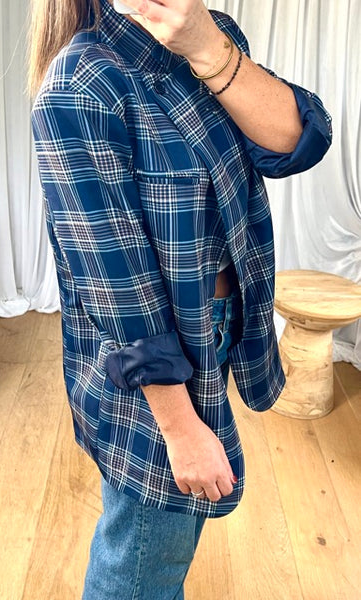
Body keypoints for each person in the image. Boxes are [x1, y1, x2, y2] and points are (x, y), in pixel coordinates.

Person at [29, 0, 332, 597]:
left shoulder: (211, 38)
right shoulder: (81, 85)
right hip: (149, 363)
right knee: (144, 558)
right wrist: (180, 428)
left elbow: (299, 141)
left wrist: (206, 45)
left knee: (163, 540)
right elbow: (117, 289)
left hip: (212, 329)